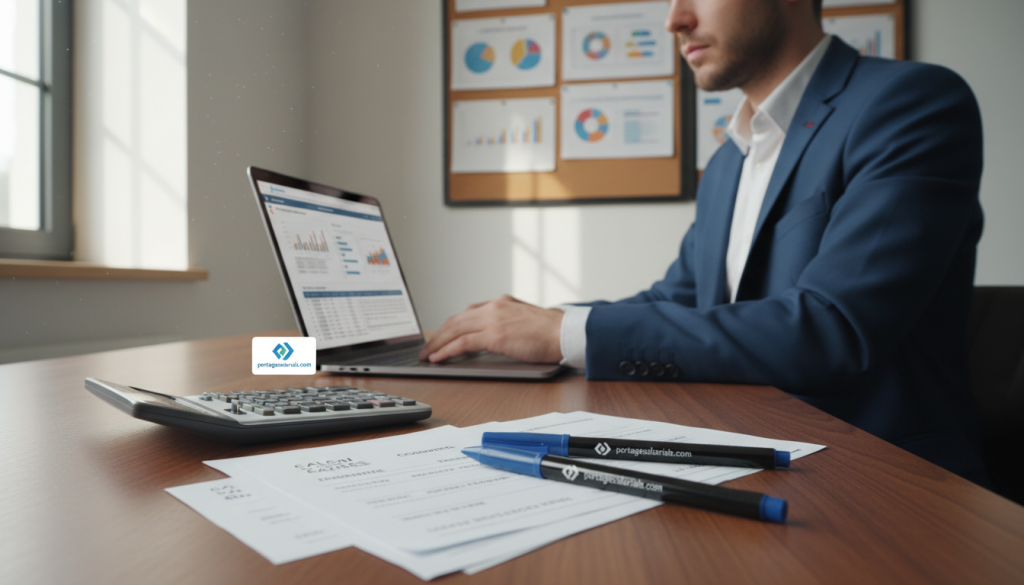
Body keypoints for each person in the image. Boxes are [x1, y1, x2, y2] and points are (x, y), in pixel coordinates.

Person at [421, 0, 988, 483]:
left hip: (884, 480)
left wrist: (565, 332)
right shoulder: (727, 162)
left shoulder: (910, 103)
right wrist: (532, 326)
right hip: (744, 453)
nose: (675, 20)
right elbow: (678, 299)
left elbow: (832, 328)